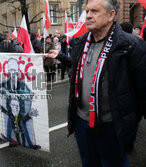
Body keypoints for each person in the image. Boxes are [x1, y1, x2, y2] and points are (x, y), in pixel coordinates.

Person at [47, 0, 146, 166]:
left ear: (111, 15)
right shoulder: (82, 42)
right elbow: (77, 67)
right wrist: (59, 56)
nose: (88, 16)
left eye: (94, 11)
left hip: (112, 127)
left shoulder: (131, 46)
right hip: (81, 123)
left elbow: (143, 91)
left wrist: (128, 124)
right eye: (87, 11)